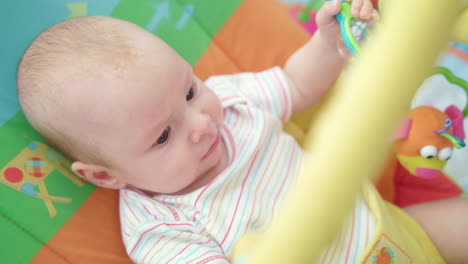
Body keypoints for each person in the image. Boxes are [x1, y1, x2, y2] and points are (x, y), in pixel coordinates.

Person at [16, 0, 468, 263]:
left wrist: (327, 43)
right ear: (105, 175)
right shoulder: (160, 229)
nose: (199, 124)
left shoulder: (231, 101)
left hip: (386, 222)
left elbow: (294, 84)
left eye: (190, 92)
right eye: (162, 137)